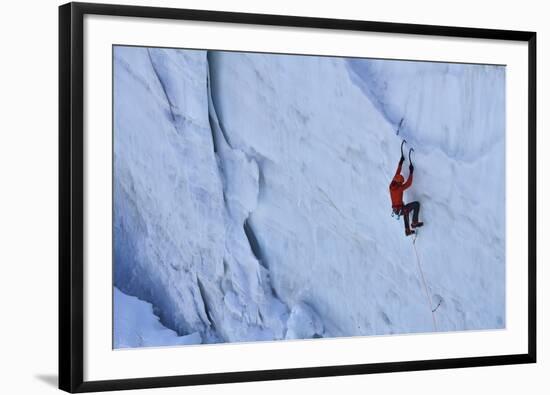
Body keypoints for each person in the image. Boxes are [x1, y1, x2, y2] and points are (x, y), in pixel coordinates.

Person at [389, 154, 423, 236]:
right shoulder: (399, 188)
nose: (402, 184)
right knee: (416, 205)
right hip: (400, 209)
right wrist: (411, 172)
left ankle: (407, 230)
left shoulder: (392, 184)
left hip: (397, 209)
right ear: (399, 183)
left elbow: (397, 172)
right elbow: (408, 183)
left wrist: (400, 162)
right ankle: (414, 223)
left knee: (405, 211)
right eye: (401, 183)